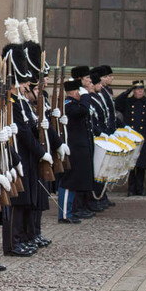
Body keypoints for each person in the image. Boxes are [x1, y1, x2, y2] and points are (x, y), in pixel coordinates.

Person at [57, 79, 92, 223]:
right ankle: (64, 214)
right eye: (79, 92)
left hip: (78, 148)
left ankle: (70, 211)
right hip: (72, 148)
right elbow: (83, 110)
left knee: (74, 182)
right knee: (68, 182)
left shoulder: (74, 105)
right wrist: (86, 96)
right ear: (73, 92)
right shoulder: (69, 106)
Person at [116, 80, 146, 196]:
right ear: (133, 91)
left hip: (144, 138)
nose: (140, 91)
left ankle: (140, 188)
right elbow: (117, 104)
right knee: (131, 164)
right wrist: (126, 93)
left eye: (141, 89)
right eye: (137, 89)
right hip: (131, 138)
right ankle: (131, 188)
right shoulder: (128, 102)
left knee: (142, 165)